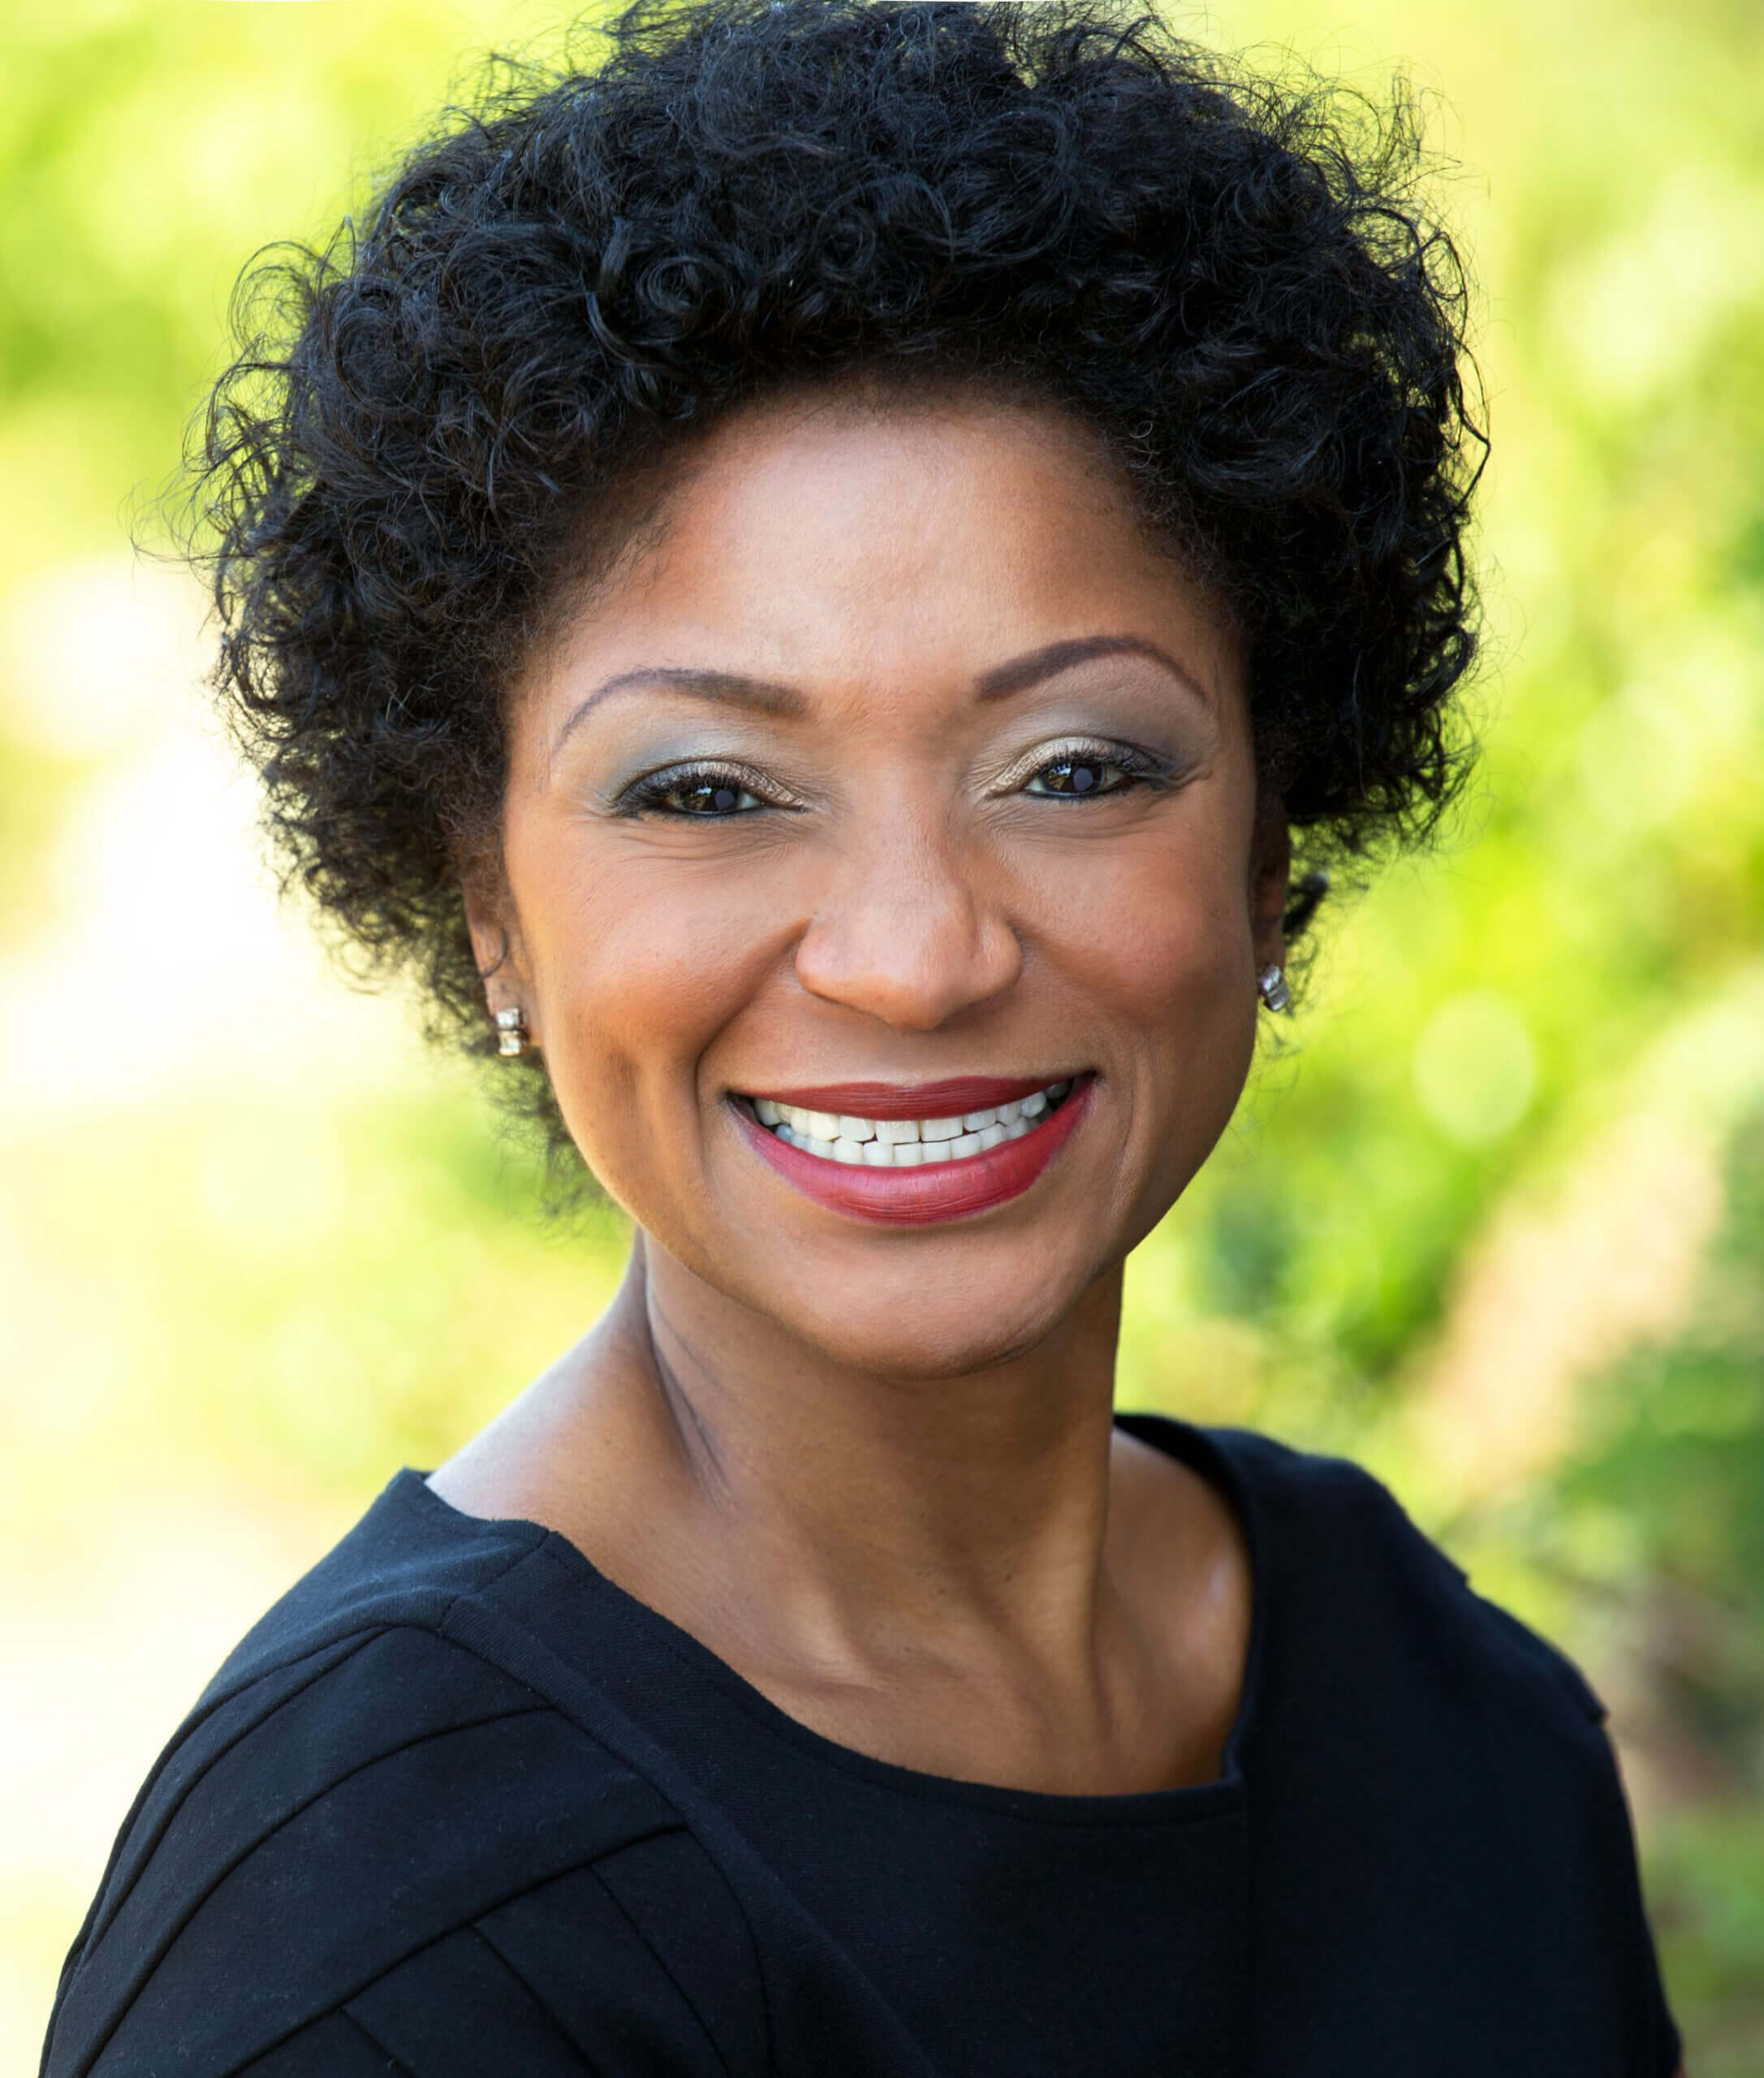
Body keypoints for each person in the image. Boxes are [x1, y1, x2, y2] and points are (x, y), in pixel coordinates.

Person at [42, 2, 1684, 2072]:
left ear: (1274, 842)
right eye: (710, 789)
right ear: (486, 907)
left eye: (1074, 764)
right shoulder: (391, 1912)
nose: (911, 957)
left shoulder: (1448, 1711)